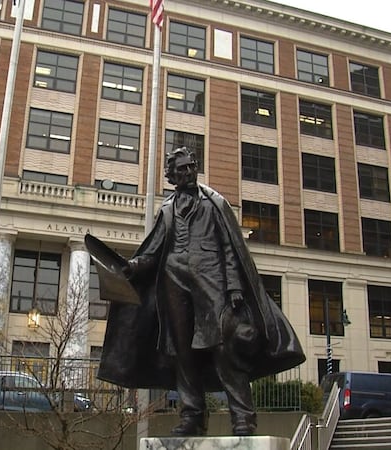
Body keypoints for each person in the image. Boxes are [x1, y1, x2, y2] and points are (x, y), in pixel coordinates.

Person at [93, 147, 305, 437]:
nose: (188, 173)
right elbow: (153, 251)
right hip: (173, 281)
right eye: (181, 170)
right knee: (183, 352)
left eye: (191, 166)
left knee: (225, 347)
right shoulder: (166, 208)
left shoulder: (215, 202)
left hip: (212, 281)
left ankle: (243, 417)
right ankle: (193, 416)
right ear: (171, 176)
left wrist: (233, 287)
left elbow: (232, 247)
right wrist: (131, 267)